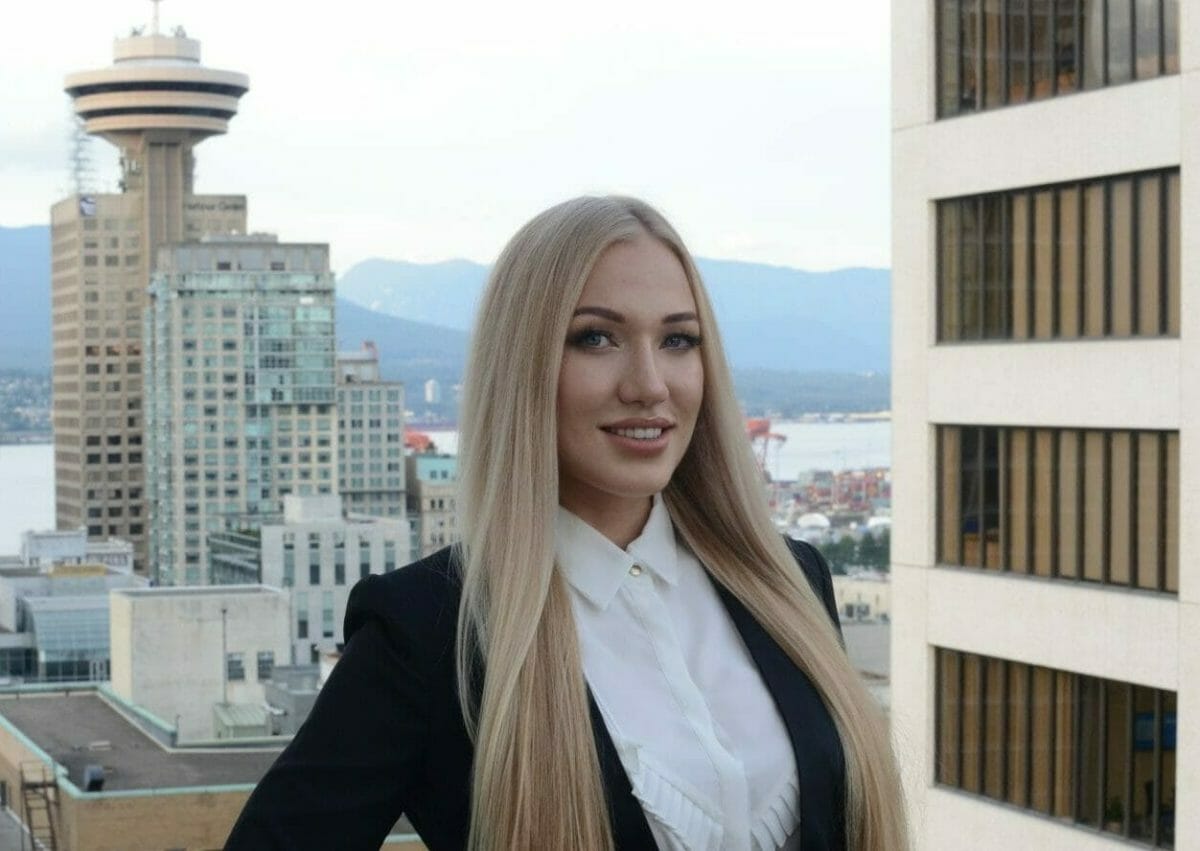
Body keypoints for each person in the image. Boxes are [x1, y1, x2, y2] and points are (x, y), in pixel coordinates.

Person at [224, 196, 907, 850]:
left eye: (677, 339)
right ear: (523, 366)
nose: (649, 384)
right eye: (596, 338)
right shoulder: (431, 631)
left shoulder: (791, 581)